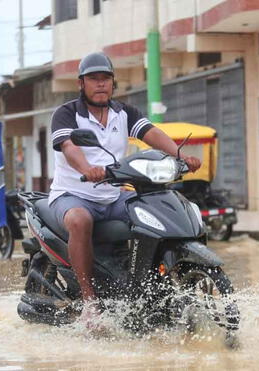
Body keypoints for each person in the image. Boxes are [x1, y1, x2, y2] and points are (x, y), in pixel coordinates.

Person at [48, 52, 201, 318]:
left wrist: (180, 156)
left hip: (113, 194)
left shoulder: (124, 112)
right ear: (81, 83)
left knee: (157, 211)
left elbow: (151, 133)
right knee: (79, 221)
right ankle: (89, 302)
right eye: (93, 79)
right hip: (73, 194)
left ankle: (146, 289)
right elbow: (69, 147)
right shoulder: (67, 114)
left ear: (112, 82)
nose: (100, 84)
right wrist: (87, 169)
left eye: (105, 78)